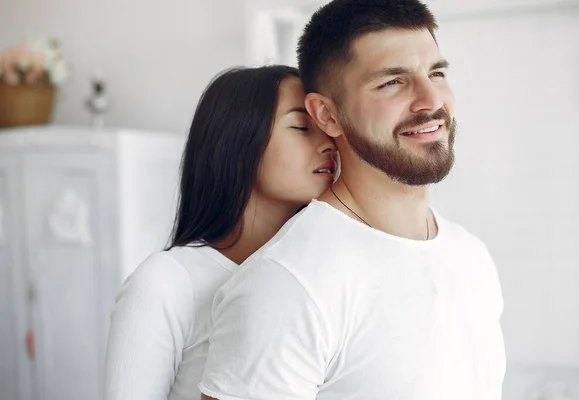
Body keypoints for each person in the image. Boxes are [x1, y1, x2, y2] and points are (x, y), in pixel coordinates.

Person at [199, 0, 506, 399]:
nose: (431, 101)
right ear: (327, 115)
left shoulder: (471, 256)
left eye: (437, 72)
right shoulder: (288, 283)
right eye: (392, 82)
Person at [103, 65, 337, 400]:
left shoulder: (314, 276)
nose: (329, 144)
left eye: (328, 128)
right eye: (302, 126)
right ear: (239, 142)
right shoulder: (164, 283)